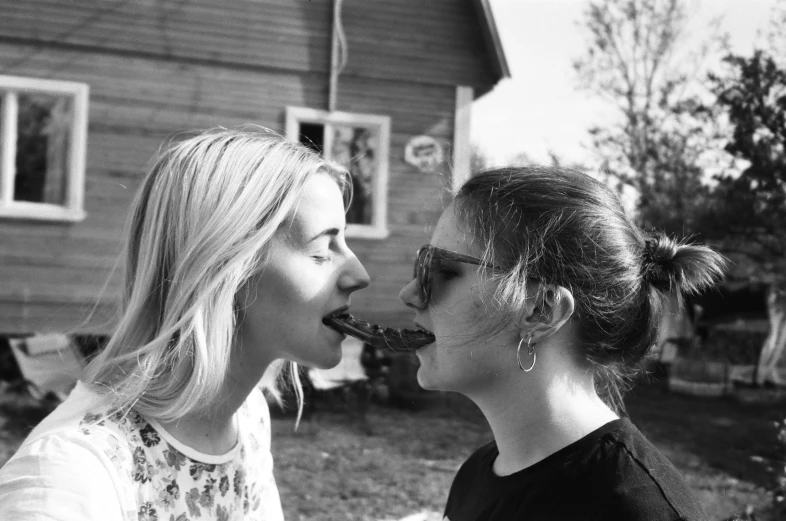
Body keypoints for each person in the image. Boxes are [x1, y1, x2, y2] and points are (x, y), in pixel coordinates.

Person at [0, 127, 370, 520]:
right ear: (226, 268)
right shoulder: (68, 480)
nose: (358, 274)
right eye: (320, 250)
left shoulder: (246, 418)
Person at [398, 166, 727, 521]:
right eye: (422, 263)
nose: (410, 294)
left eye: (441, 270)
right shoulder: (477, 473)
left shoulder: (633, 509)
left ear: (541, 312)